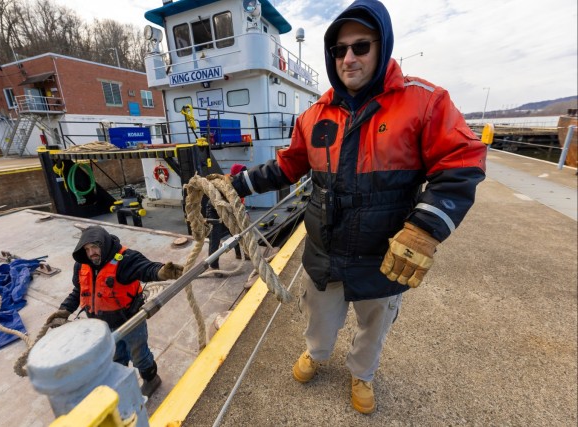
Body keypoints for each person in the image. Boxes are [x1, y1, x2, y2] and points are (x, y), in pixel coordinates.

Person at [228, 0, 486, 414]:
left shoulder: (425, 103)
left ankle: (362, 374)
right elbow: (288, 165)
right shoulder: (314, 115)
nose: (349, 58)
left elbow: (462, 162)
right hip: (325, 250)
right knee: (319, 317)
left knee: (375, 325)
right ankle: (317, 353)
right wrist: (237, 184)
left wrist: (426, 227)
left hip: (382, 255)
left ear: (382, 47)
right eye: (339, 50)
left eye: (361, 46)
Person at [45, 225, 184, 397]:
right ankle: (122, 381)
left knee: (139, 355)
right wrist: (64, 310)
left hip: (131, 322)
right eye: (87, 249)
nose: (91, 253)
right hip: (103, 327)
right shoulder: (82, 265)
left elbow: (145, 268)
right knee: (115, 357)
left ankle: (151, 378)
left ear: (104, 244)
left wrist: (161, 272)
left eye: (94, 247)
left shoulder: (125, 259)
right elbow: (78, 291)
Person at [206, 163, 247, 273]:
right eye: (242, 173)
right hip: (215, 209)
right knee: (215, 237)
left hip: (229, 209)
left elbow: (240, 202)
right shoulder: (225, 183)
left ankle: (239, 254)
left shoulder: (240, 184)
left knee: (236, 232)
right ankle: (214, 266)